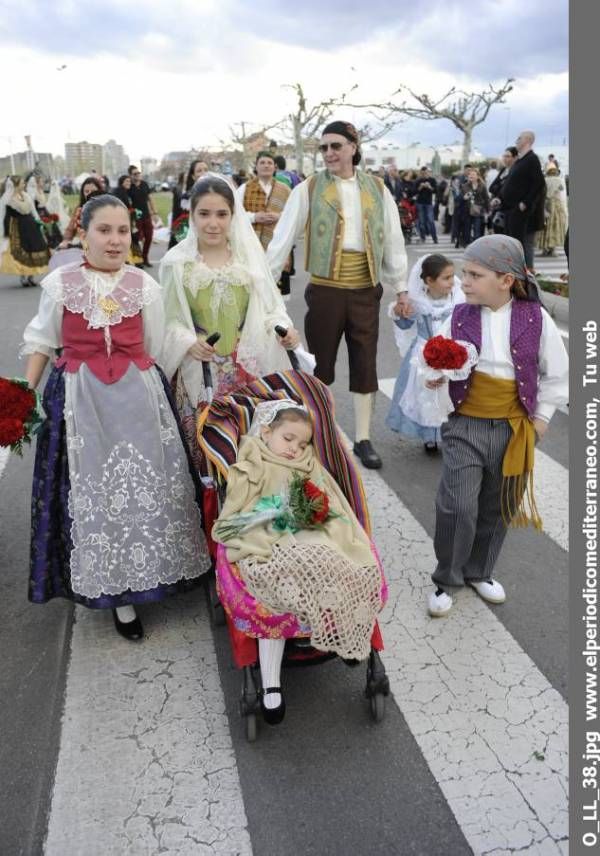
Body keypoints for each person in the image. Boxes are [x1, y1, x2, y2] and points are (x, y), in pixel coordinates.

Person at [22, 194, 211, 640]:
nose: (114, 240)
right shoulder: (60, 283)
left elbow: (155, 343)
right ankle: (118, 597)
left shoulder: (143, 284)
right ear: (83, 234)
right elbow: (42, 342)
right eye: (104, 231)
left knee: (148, 488)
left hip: (138, 398)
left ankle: (155, 572)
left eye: (122, 231)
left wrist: (188, 354)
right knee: (98, 493)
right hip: (80, 401)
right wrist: (20, 396)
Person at [212, 400, 386, 724]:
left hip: (314, 534)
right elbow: (233, 519)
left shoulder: (310, 466)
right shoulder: (253, 464)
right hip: (271, 538)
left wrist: (316, 512)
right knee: (276, 588)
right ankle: (271, 685)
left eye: (302, 443)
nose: (294, 449)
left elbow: (334, 506)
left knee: (339, 561)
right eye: (287, 439)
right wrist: (275, 510)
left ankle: (346, 630)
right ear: (266, 432)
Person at [425, 235, 568, 618]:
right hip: (466, 423)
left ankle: (480, 570)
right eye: (464, 274)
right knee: (456, 504)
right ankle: (447, 576)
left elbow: (557, 374)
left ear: (505, 280)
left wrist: (540, 420)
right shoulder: (458, 315)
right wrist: (436, 376)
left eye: (474, 275)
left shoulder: (536, 318)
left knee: (498, 504)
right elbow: (437, 359)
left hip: (514, 427)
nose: (464, 282)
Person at [267, 120, 408, 469]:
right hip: (326, 291)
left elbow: (392, 240)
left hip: (365, 289)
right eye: (324, 147)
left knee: (365, 363)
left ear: (353, 147)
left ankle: (363, 439)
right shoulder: (309, 189)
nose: (329, 153)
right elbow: (282, 237)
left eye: (336, 146)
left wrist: (401, 287)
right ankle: (321, 435)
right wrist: (265, 285)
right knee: (320, 365)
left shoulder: (377, 188)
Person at [159, 174, 300, 471]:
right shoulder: (176, 263)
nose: (213, 223)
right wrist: (188, 343)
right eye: (204, 214)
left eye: (222, 214)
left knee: (248, 452)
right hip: (200, 372)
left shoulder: (249, 259)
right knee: (207, 454)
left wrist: (284, 330)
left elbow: (270, 308)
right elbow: (167, 321)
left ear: (233, 216)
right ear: (192, 216)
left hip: (247, 369)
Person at [386, 254, 464, 454]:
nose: (451, 282)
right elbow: (404, 323)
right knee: (425, 396)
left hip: (449, 354)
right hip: (423, 355)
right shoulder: (417, 302)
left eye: (452, 277)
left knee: (448, 395)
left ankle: (451, 434)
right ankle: (430, 437)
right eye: (446, 278)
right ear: (429, 281)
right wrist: (399, 311)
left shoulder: (458, 300)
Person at [237, 151, 293, 298]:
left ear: (275, 167)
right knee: (254, 294)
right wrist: (255, 217)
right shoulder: (244, 189)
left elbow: (293, 215)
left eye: (269, 163)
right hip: (251, 247)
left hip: (277, 246)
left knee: (276, 297)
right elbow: (234, 214)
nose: (266, 166)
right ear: (256, 166)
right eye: (262, 163)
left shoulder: (285, 190)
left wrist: (278, 216)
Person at [500, 131, 545, 268]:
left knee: (520, 245)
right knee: (513, 244)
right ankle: (515, 272)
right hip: (511, 209)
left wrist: (525, 202)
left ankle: (524, 275)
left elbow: (539, 183)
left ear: (527, 140)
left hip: (520, 211)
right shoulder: (521, 160)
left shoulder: (532, 159)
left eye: (519, 139)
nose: (516, 141)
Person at [0, 175, 50, 286]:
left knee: (34, 250)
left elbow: (33, 211)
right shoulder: (8, 199)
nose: (24, 185)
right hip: (18, 227)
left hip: (31, 226)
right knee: (23, 251)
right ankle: (23, 276)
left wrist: (39, 222)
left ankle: (31, 276)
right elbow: (5, 217)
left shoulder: (26, 196)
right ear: (16, 185)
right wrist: (6, 232)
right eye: (22, 183)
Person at [169, 160, 209, 248]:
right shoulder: (187, 197)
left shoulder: (217, 193)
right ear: (193, 176)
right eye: (199, 171)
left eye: (206, 170)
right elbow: (179, 216)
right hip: (192, 237)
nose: (204, 173)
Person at [57, 176, 104, 249]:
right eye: (86, 191)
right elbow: (71, 228)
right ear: (83, 193)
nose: (90, 194)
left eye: (93, 191)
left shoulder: (106, 207)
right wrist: (66, 240)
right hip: (83, 246)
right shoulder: (79, 208)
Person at [128, 165, 157, 267]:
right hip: (136, 218)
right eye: (135, 174)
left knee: (149, 237)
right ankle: (138, 260)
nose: (137, 175)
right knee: (136, 239)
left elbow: (150, 199)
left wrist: (155, 212)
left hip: (146, 215)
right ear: (130, 176)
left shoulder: (145, 184)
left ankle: (145, 258)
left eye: (138, 173)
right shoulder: (129, 187)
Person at [536, 163, 568, 256]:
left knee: (545, 227)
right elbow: (562, 193)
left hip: (545, 205)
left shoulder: (544, 180)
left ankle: (544, 249)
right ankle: (552, 249)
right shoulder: (560, 181)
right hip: (556, 206)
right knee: (555, 226)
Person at [113, 175, 144, 266]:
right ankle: (129, 261)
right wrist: (131, 211)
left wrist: (133, 211)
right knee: (129, 239)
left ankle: (137, 260)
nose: (129, 183)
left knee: (133, 238)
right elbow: (119, 207)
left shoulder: (125, 192)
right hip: (123, 220)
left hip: (129, 219)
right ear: (121, 182)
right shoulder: (119, 192)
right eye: (126, 181)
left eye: (129, 181)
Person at [488, 147, 519, 233]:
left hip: (509, 209)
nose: (504, 159)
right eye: (504, 156)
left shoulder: (516, 170)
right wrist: (500, 187)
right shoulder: (503, 170)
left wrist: (499, 187)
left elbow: (508, 190)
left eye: (508, 156)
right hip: (499, 208)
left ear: (515, 158)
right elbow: (492, 187)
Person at [460, 168, 490, 244]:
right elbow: (460, 198)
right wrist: (464, 197)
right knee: (467, 229)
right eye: (470, 174)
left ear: (477, 176)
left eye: (473, 174)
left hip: (478, 211)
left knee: (477, 230)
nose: (471, 176)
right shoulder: (464, 186)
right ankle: (468, 244)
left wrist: (488, 210)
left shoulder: (482, 185)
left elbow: (486, 198)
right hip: (467, 210)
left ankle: (477, 245)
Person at [414, 166, 438, 244]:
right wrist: (420, 187)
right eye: (423, 173)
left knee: (431, 221)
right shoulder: (418, 181)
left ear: (428, 172)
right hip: (420, 203)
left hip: (429, 203)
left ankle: (435, 238)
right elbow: (414, 192)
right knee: (421, 222)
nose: (424, 174)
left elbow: (436, 191)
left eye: (426, 173)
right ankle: (423, 238)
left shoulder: (432, 180)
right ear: (421, 173)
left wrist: (429, 187)